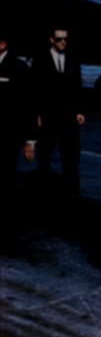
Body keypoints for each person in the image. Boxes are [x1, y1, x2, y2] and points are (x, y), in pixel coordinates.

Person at [31, 26, 85, 201]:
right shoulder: (40, 60)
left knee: (71, 159)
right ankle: (42, 194)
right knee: (45, 157)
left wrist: (79, 110)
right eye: (59, 39)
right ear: (51, 39)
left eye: (65, 39)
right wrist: (37, 115)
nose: (63, 42)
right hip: (48, 118)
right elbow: (35, 90)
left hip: (68, 119)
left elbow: (78, 86)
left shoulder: (72, 59)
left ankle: (71, 194)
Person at [0, 33, 37, 206]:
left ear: (2, 44)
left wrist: (30, 140)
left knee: (6, 178)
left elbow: (28, 105)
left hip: (8, 135)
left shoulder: (19, 68)